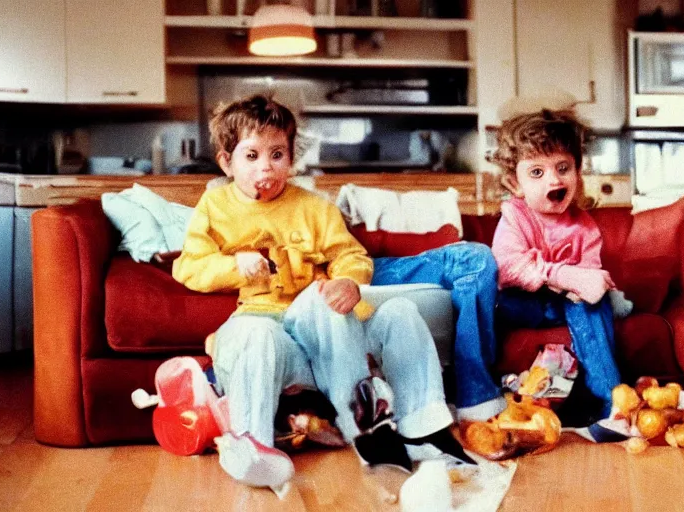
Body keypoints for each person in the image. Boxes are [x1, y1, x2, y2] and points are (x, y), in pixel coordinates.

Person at [172, 94, 471, 481]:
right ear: (226, 162)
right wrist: (235, 266)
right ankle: (259, 443)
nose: (266, 166)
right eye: (251, 156)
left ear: (291, 158)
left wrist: (349, 279)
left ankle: (424, 431)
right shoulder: (215, 207)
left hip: (329, 344)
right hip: (271, 337)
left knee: (399, 312)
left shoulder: (316, 208)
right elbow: (189, 266)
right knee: (258, 330)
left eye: (277, 154)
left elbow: (352, 256)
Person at [487, 107, 622, 418]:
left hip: (561, 305)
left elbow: (585, 281)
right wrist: (559, 273)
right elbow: (507, 265)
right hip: (520, 303)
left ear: (578, 171)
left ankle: (610, 402)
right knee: (487, 301)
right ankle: (495, 389)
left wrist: (587, 286)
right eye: (537, 172)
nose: (554, 180)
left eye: (563, 168)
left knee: (592, 304)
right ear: (515, 184)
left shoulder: (585, 226)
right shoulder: (515, 214)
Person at [370, 243, 506, 423]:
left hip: (349, 263)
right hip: (340, 270)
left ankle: (470, 393)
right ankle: (475, 394)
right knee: (473, 260)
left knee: (474, 260)